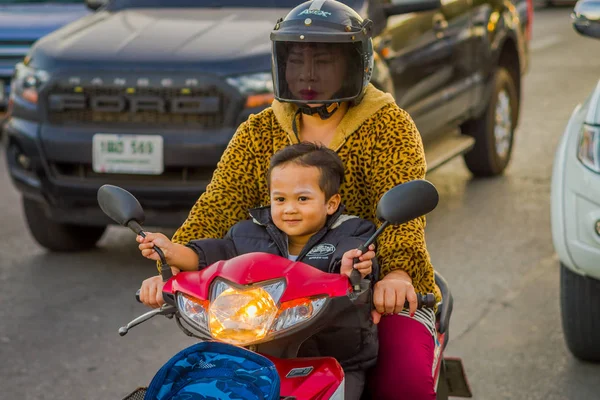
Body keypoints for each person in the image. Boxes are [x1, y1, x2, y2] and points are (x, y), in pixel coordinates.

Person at [139, 1, 439, 398]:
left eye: (324, 61)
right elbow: (219, 204)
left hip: (370, 289)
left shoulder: (390, 125)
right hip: (270, 298)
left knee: (406, 382)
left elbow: (403, 214)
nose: (307, 74)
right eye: (296, 60)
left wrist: (398, 274)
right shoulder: (259, 130)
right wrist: (173, 261)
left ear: (355, 63)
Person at [138, 143, 378, 398]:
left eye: (303, 199)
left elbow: (352, 264)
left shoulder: (353, 233)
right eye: (280, 199)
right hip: (248, 359)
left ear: (331, 203)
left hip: (331, 357)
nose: (289, 208)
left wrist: (353, 266)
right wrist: (170, 251)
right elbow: (207, 257)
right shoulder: (246, 234)